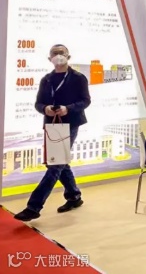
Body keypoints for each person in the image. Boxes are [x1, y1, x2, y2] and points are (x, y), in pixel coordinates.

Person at [14, 45, 92, 222]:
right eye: (54, 53)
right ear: (49, 58)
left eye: (61, 53)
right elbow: (38, 103)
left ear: (68, 56)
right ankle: (74, 196)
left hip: (70, 123)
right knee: (60, 163)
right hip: (52, 125)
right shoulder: (46, 79)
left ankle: (33, 207)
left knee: (55, 165)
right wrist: (45, 109)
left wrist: (68, 108)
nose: (58, 56)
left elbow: (85, 101)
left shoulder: (78, 78)